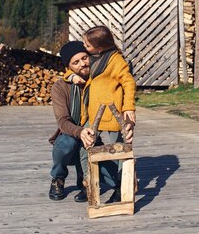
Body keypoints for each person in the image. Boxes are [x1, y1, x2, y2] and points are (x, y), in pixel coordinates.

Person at [79, 25, 136, 203]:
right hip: (92, 113)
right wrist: (71, 77)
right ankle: (88, 182)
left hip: (112, 113)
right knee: (85, 147)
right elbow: (74, 69)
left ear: (100, 46)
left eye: (87, 44)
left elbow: (129, 83)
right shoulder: (92, 58)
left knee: (118, 150)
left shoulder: (116, 60)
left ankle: (121, 187)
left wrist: (128, 108)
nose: (84, 47)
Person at [47, 41, 95, 202]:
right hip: (71, 132)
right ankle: (58, 178)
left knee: (90, 143)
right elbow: (62, 121)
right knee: (65, 144)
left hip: (95, 132)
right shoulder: (61, 87)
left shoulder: (97, 80)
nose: (83, 64)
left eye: (84, 58)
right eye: (76, 62)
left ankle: (85, 180)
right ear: (69, 67)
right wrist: (79, 132)